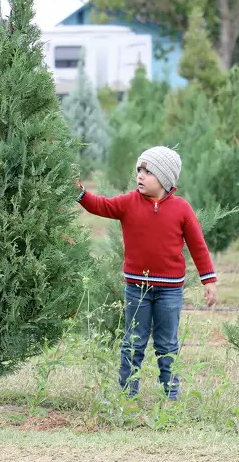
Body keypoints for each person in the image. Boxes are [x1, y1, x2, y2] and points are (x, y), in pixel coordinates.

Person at [75, 146, 217, 401]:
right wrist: (81, 194)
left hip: (170, 291)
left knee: (167, 344)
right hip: (137, 288)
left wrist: (209, 280)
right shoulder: (128, 202)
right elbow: (101, 206)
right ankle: (128, 395)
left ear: (164, 178)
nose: (140, 175)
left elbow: (198, 246)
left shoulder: (181, 209)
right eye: (139, 169)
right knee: (134, 342)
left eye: (148, 171)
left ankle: (170, 396)